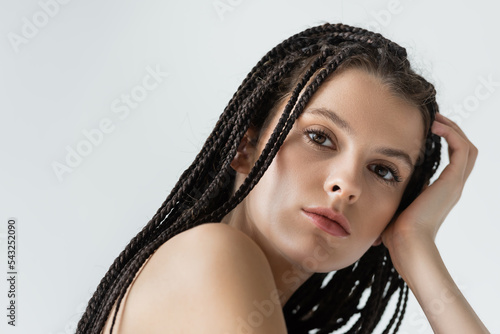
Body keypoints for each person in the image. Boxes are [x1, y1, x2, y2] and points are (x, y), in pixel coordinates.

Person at [76, 23, 489, 333]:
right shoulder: (212, 255)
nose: (346, 185)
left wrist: (413, 244)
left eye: (383, 171)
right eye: (320, 137)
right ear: (244, 148)